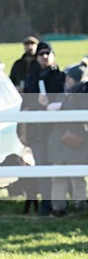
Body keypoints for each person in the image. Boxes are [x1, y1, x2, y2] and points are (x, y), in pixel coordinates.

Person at [20, 41, 65, 216]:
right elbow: (25, 104)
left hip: (55, 131)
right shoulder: (32, 77)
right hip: (37, 131)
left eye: (48, 53)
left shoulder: (60, 76)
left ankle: (59, 204)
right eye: (41, 54)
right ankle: (46, 203)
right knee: (41, 166)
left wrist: (50, 103)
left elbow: (65, 99)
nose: (45, 57)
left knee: (57, 168)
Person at [46, 59, 88, 216]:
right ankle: (58, 207)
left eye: (71, 78)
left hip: (76, 140)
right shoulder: (63, 94)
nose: (67, 81)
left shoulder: (84, 93)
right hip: (59, 140)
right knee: (58, 176)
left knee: (76, 176)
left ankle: (80, 204)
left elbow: (81, 109)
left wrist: (62, 107)